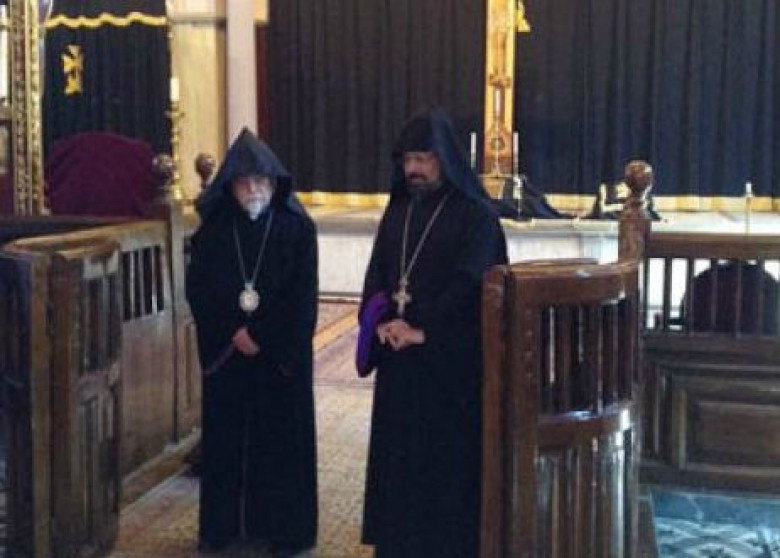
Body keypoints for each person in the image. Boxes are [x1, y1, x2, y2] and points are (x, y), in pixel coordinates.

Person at [358, 107, 508, 557]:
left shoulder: (476, 216)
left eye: (423, 158)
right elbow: (378, 272)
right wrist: (381, 321)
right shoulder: (398, 210)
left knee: (442, 466)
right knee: (398, 461)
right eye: (408, 159)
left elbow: (471, 284)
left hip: (448, 366)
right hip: (399, 362)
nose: (414, 169)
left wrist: (422, 330)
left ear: (444, 159)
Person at [186, 128, 318, 558]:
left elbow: (302, 297)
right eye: (244, 182)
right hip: (230, 354)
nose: (254, 190)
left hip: (278, 358)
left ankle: (285, 532)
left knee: (280, 443)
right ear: (230, 187)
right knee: (227, 442)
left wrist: (261, 336)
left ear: (275, 184)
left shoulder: (298, 230)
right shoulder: (212, 233)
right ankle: (222, 528)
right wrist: (234, 332)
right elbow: (199, 291)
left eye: (261, 181)